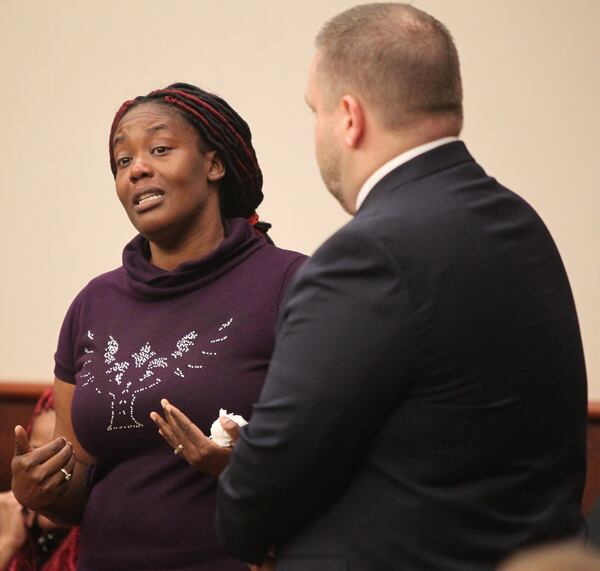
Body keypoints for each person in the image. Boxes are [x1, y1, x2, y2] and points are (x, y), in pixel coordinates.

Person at [216, 4, 588, 570]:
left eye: (314, 111)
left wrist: (241, 511)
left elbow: (265, 485)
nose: (316, 131)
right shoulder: (520, 222)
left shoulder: (367, 255)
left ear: (349, 117)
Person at [11, 82, 305, 571]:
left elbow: (341, 459)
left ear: (214, 164)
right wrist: (38, 491)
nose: (137, 168)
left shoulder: (292, 284)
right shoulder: (93, 303)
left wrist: (246, 470)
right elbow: (78, 485)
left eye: (160, 149)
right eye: (122, 161)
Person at [1, 389, 79, 571]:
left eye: (64, 457)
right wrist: (7, 544)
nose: (45, 473)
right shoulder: (11, 520)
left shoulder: (103, 549)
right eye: (38, 456)